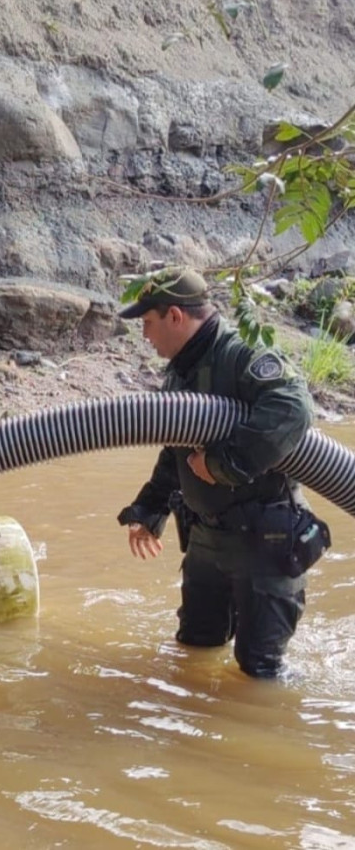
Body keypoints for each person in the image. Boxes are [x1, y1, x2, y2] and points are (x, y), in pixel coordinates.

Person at [116, 266, 329, 678]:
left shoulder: (242, 354)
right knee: (194, 648)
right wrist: (149, 511)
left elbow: (292, 408)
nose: (144, 335)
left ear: (175, 316)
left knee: (260, 671)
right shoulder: (181, 370)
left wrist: (221, 465)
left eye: (148, 323)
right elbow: (175, 449)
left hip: (264, 539)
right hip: (207, 538)